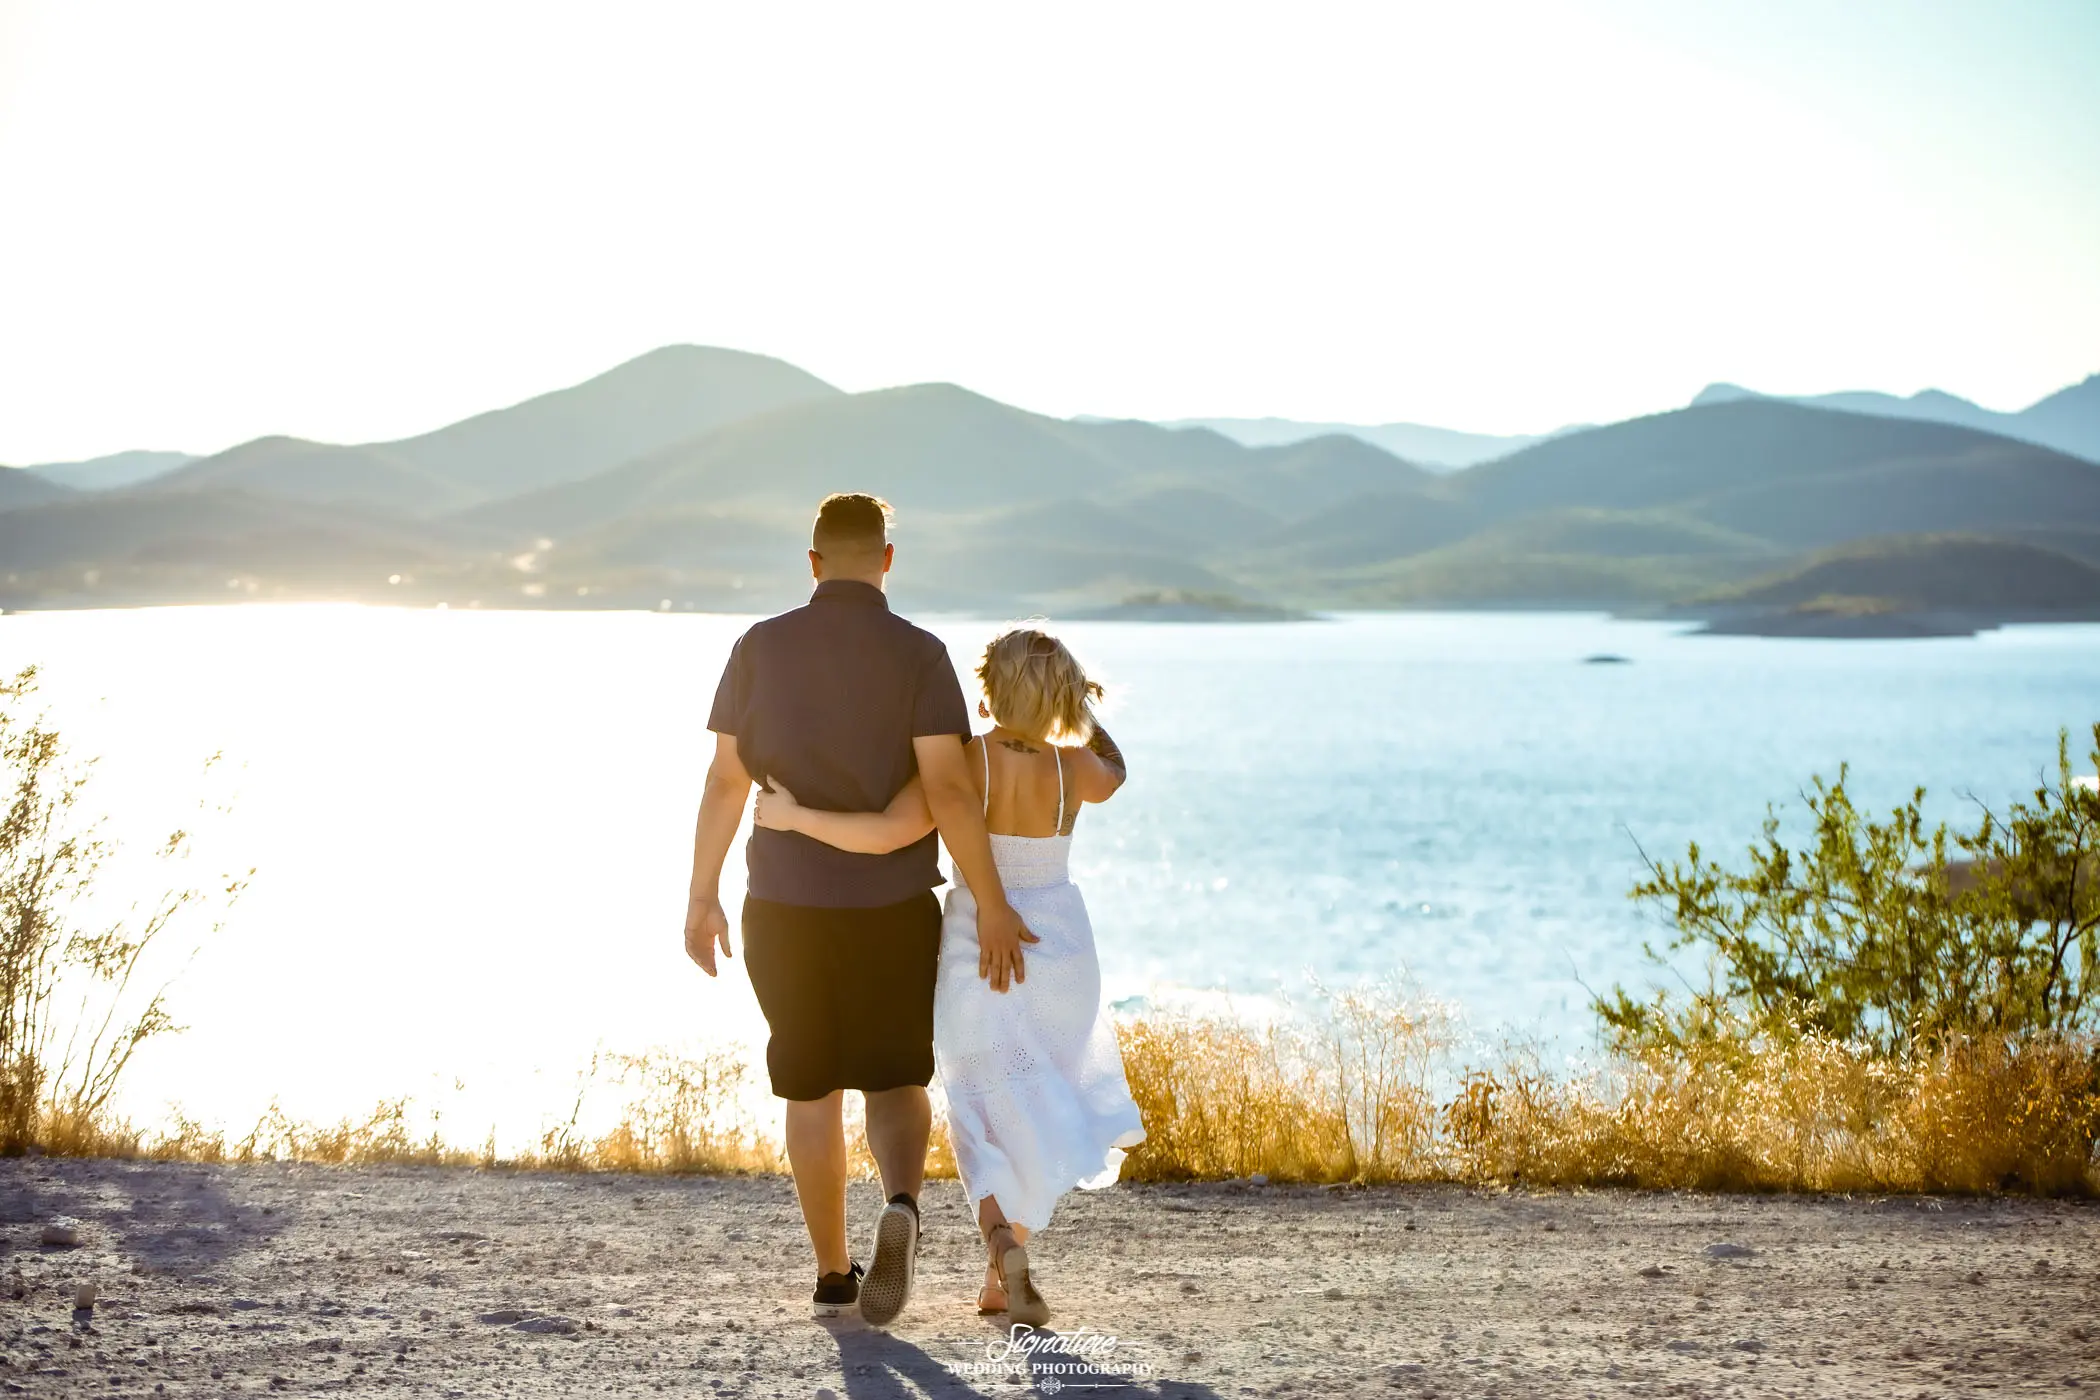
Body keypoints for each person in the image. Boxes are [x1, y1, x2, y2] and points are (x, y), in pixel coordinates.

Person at [683, 492, 1038, 1326]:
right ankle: (901, 1205)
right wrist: (990, 902)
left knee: (809, 1089)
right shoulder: (920, 653)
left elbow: (726, 781)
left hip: (783, 905)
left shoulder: (759, 646)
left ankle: (833, 1273)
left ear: (812, 563)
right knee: (894, 1077)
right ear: (887, 560)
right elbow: (950, 790)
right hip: (893, 907)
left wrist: (701, 897)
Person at [754, 625, 1145, 1325]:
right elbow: (1115, 765)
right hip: (1059, 949)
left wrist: (794, 816)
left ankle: (998, 1241)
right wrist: (1077, 709)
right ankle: (1001, 1274)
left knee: (977, 1108)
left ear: (987, 695)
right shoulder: (1077, 770)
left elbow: (884, 833)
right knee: (1031, 1107)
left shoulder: (964, 762)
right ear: (1062, 697)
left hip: (979, 949)